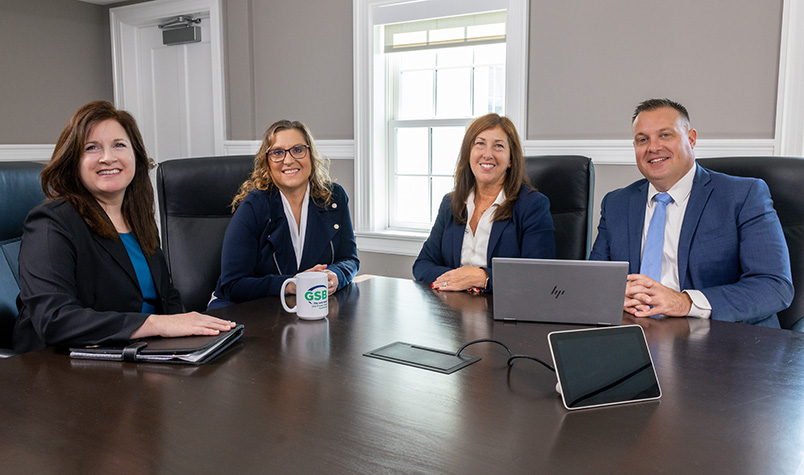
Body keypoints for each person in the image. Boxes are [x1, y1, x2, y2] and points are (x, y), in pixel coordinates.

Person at [14, 101, 235, 353]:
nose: (108, 158)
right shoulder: (50, 223)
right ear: (73, 162)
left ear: (136, 156)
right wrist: (156, 324)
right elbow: (54, 319)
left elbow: (167, 297)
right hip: (62, 367)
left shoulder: (137, 218)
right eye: (91, 148)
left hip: (137, 355)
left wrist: (194, 338)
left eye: (119, 145)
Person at [590, 98, 793, 327]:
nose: (653, 147)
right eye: (642, 139)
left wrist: (684, 302)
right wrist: (617, 294)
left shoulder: (743, 195)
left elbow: (774, 286)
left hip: (722, 340)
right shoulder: (616, 203)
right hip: (636, 334)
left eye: (665, 135)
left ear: (691, 138)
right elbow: (595, 281)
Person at [208, 120, 359, 309]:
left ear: (310, 155)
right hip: (244, 310)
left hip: (303, 307)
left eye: (298, 150)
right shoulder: (254, 206)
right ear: (267, 162)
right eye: (278, 153)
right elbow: (232, 285)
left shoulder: (334, 197)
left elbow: (349, 259)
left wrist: (335, 275)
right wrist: (291, 284)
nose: (288, 160)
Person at [413, 113, 555, 292]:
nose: (487, 154)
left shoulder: (533, 206)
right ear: (468, 153)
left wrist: (484, 277)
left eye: (498, 146)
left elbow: (539, 275)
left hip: (504, 312)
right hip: (451, 311)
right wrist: (460, 279)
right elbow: (422, 265)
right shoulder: (451, 203)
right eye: (480, 144)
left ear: (511, 159)